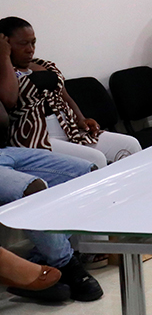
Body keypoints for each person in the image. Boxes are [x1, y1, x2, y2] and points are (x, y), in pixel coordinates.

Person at [0, 41, 101, 302]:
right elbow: (11, 101)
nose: (30, 48)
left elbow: (3, 113)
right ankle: (66, 264)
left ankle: (43, 258)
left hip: (6, 151)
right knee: (33, 187)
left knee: (87, 171)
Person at [0, 17, 141, 168]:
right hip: (36, 138)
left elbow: (65, 96)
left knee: (130, 145)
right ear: (5, 44)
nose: (30, 49)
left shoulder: (42, 64)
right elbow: (9, 100)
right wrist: (4, 57)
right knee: (95, 159)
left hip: (70, 129)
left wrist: (81, 119)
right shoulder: (5, 72)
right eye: (23, 44)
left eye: (33, 43)